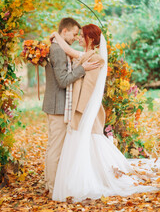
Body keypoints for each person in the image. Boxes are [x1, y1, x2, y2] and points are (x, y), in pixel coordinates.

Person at [50, 24, 157, 202]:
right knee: (87, 144)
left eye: (82, 36)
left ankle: (89, 180)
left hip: (85, 109)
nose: (79, 38)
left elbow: (88, 88)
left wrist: (80, 112)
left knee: (89, 141)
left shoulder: (96, 59)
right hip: (81, 108)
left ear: (91, 39)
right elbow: (70, 53)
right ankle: (86, 176)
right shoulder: (88, 56)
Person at [42, 18, 100, 198]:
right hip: (58, 106)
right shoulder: (58, 50)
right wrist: (82, 69)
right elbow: (63, 80)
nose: (76, 38)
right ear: (64, 31)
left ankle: (49, 183)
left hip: (58, 105)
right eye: (75, 34)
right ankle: (52, 188)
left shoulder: (59, 47)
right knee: (56, 149)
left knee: (54, 146)